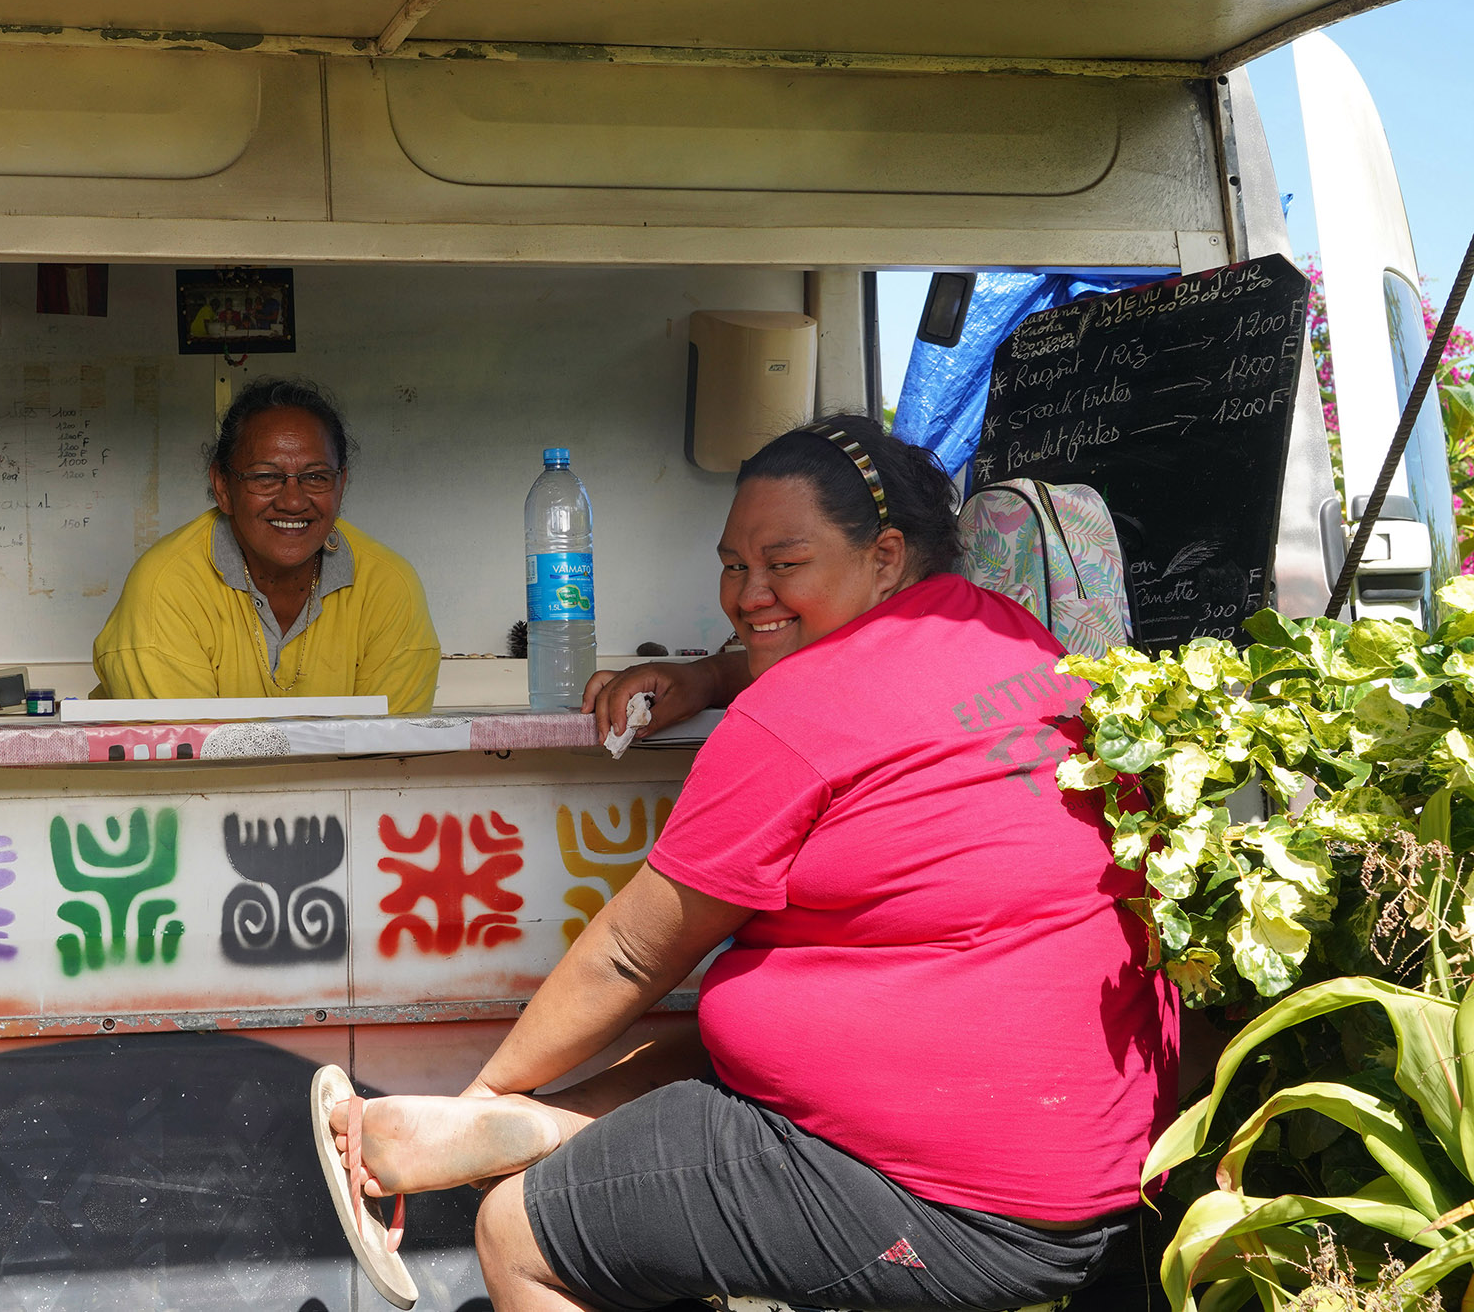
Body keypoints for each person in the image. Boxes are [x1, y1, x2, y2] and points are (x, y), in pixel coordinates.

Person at [312, 417, 1177, 1312]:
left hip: (958, 1203)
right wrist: (713, 673)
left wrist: (483, 1085)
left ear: (885, 556)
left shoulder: (798, 715)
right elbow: (835, 672)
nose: (747, 591)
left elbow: (633, 955)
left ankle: (486, 1127)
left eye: (784, 563)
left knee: (518, 1230)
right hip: (1106, 1158)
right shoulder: (1006, 634)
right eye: (733, 564)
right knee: (701, 1049)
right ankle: (526, 1126)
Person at [92, 377, 440, 713]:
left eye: (316, 476)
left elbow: (393, 756)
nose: (292, 501)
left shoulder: (389, 586)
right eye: (266, 477)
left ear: (341, 484)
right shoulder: (165, 587)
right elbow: (189, 764)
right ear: (224, 487)